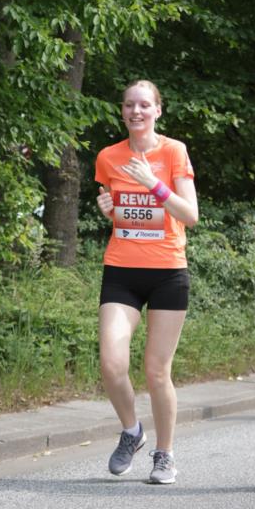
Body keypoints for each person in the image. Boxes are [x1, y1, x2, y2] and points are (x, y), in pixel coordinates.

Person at [95, 80, 198, 484]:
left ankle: (165, 454)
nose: (135, 111)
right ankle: (132, 432)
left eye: (144, 105)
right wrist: (107, 208)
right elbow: (120, 209)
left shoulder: (173, 152)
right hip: (121, 270)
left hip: (167, 272)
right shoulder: (108, 157)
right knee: (111, 363)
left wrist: (153, 183)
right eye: (129, 105)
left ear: (158, 110)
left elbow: (190, 214)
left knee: (157, 371)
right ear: (122, 111)